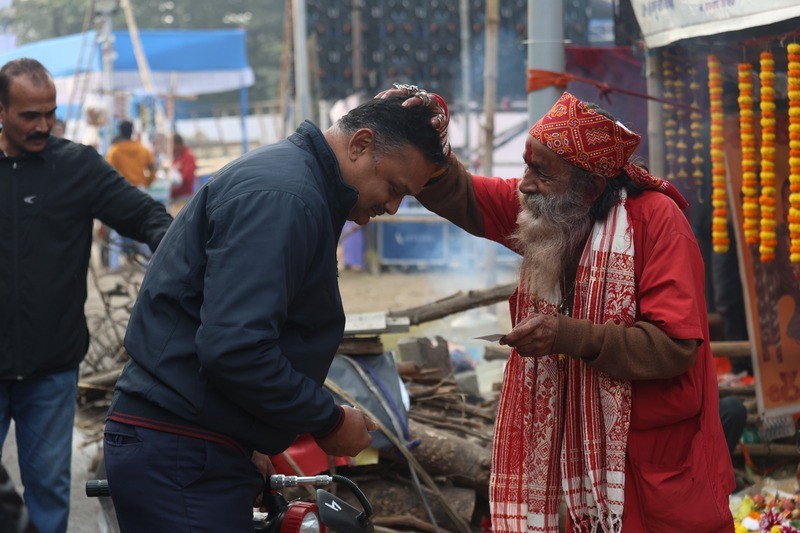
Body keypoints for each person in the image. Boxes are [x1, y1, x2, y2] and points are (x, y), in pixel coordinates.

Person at [386, 87, 734, 532]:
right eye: (527, 167)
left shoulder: (658, 222)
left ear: (590, 186)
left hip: (657, 469)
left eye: (541, 174)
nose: (525, 185)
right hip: (573, 459)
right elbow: (462, 193)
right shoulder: (547, 209)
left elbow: (674, 346)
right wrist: (428, 132)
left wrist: (565, 335)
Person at [102, 95, 448, 531]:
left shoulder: (297, 185)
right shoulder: (286, 197)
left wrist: (249, 439)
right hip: (181, 452)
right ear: (359, 145)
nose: (394, 206)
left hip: (192, 442)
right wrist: (329, 420)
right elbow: (235, 347)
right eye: (395, 187)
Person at [0, 58, 172, 533]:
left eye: (49, 113)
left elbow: (146, 216)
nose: (42, 126)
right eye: (27, 116)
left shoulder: (75, 166)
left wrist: (180, 248)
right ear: (1, 109)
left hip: (51, 370)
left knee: (49, 490)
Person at [105, 119, 156, 189]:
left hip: (122, 190)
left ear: (120, 132)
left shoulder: (114, 151)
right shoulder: (143, 150)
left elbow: (108, 173)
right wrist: (146, 183)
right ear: (132, 132)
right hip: (140, 189)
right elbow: (152, 170)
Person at [170, 132, 197, 201]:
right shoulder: (176, 156)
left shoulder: (188, 157)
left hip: (185, 196)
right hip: (175, 196)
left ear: (178, 144)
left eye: (173, 145)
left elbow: (187, 178)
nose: (172, 148)